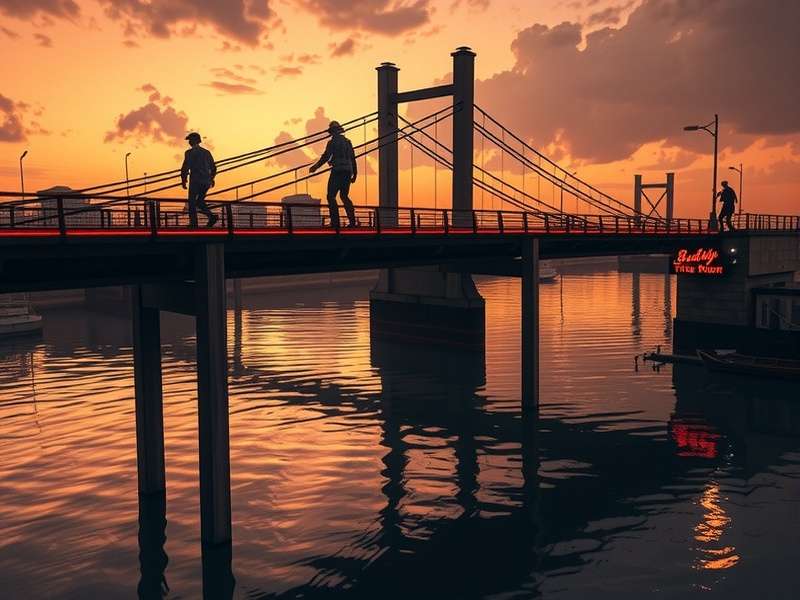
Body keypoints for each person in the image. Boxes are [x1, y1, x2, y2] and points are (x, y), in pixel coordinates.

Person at [310, 121, 357, 228]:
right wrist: (355, 174)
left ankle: (335, 222)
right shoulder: (348, 142)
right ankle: (352, 221)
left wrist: (315, 167)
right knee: (344, 196)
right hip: (347, 172)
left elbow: (326, 156)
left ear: (332, 132)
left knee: (331, 196)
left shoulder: (332, 142)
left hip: (337, 171)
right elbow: (353, 159)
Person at [181, 132, 218, 228]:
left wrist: (183, 180)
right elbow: (213, 168)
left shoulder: (189, 153)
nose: (189, 142)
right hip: (206, 182)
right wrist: (211, 178)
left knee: (192, 202)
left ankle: (194, 224)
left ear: (194, 141)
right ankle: (211, 216)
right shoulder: (206, 152)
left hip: (195, 181)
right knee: (200, 202)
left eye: (190, 140)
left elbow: (185, 168)